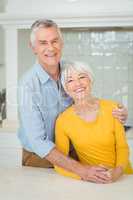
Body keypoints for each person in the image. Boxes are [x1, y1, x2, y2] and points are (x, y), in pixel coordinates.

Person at [18, 19, 128, 182]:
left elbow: (87, 98)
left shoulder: (71, 70)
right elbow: (38, 142)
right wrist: (82, 170)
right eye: (43, 43)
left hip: (74, 148)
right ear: (33, 47)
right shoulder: (27, 85)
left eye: (55, 41)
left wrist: (117, 111)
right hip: (41, 156)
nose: (50, 48)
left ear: (61, 43)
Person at [54, 61, 133, 183]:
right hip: (92, 183)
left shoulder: (113, 108)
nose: (78, 83)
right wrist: (85, 176)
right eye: (70, 80)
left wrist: (117, 173)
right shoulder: (63, 120)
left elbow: (122, 147)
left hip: (124, 178)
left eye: (82, 77)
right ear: (66, 89)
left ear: (90, 80)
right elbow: (59, 163)